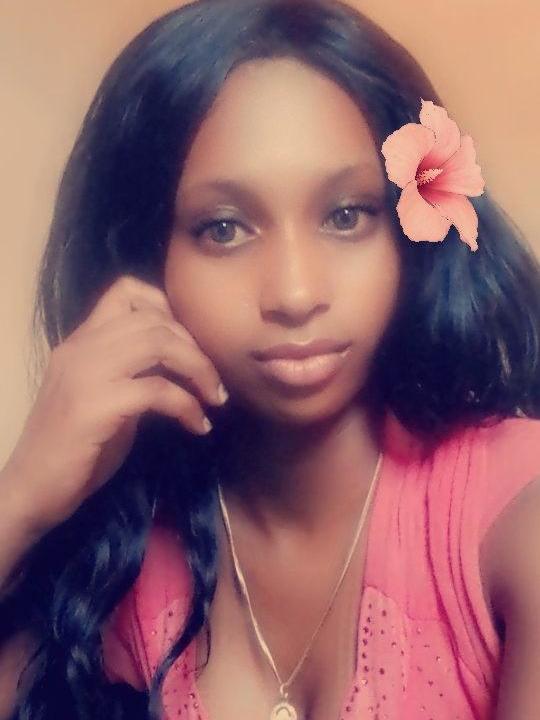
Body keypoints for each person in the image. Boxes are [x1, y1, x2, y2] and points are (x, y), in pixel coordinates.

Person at [1, 0, 540, 718]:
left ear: (413, 227)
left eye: (345, 216)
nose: (294, 293)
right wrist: (19, 500)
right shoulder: (119, 553)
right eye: (224, 229)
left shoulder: (516, 518)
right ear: (144, 259)